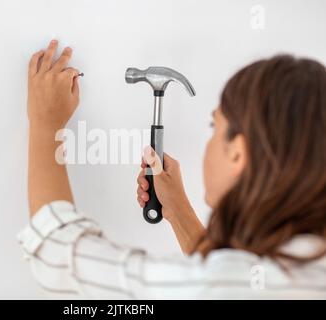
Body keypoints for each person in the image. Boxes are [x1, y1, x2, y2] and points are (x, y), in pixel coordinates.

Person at [17, 39, 326, 299]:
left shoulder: (226, 287)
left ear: (237, 153)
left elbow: (58, 252)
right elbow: (224, 270)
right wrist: (177, 208)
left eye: (213, 126)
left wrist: (47, 125)